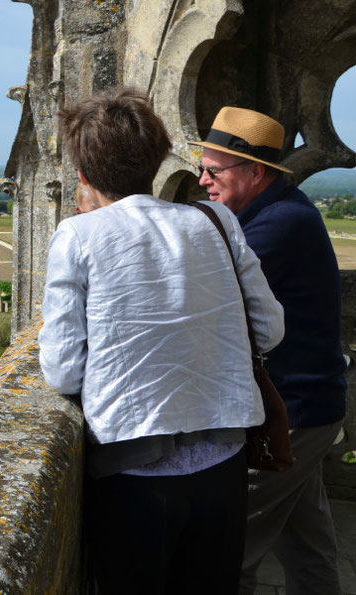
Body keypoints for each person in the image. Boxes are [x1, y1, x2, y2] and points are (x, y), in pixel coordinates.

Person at [39, 89, 285, 592]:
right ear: (157, 161)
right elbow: (270, 330)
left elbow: (62, 370)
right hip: (224, 462)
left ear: (83, 176)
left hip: (134, 473)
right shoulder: (217, 221)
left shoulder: (78, 235)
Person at [191, 106, 348, 594]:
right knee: (309, 547)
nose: (201, 181)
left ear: (255, 172)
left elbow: (205, 299)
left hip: (293, 413)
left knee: (227, 553)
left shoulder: (278, 225)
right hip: (310, 409)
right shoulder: (277, 212)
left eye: (213, 171)